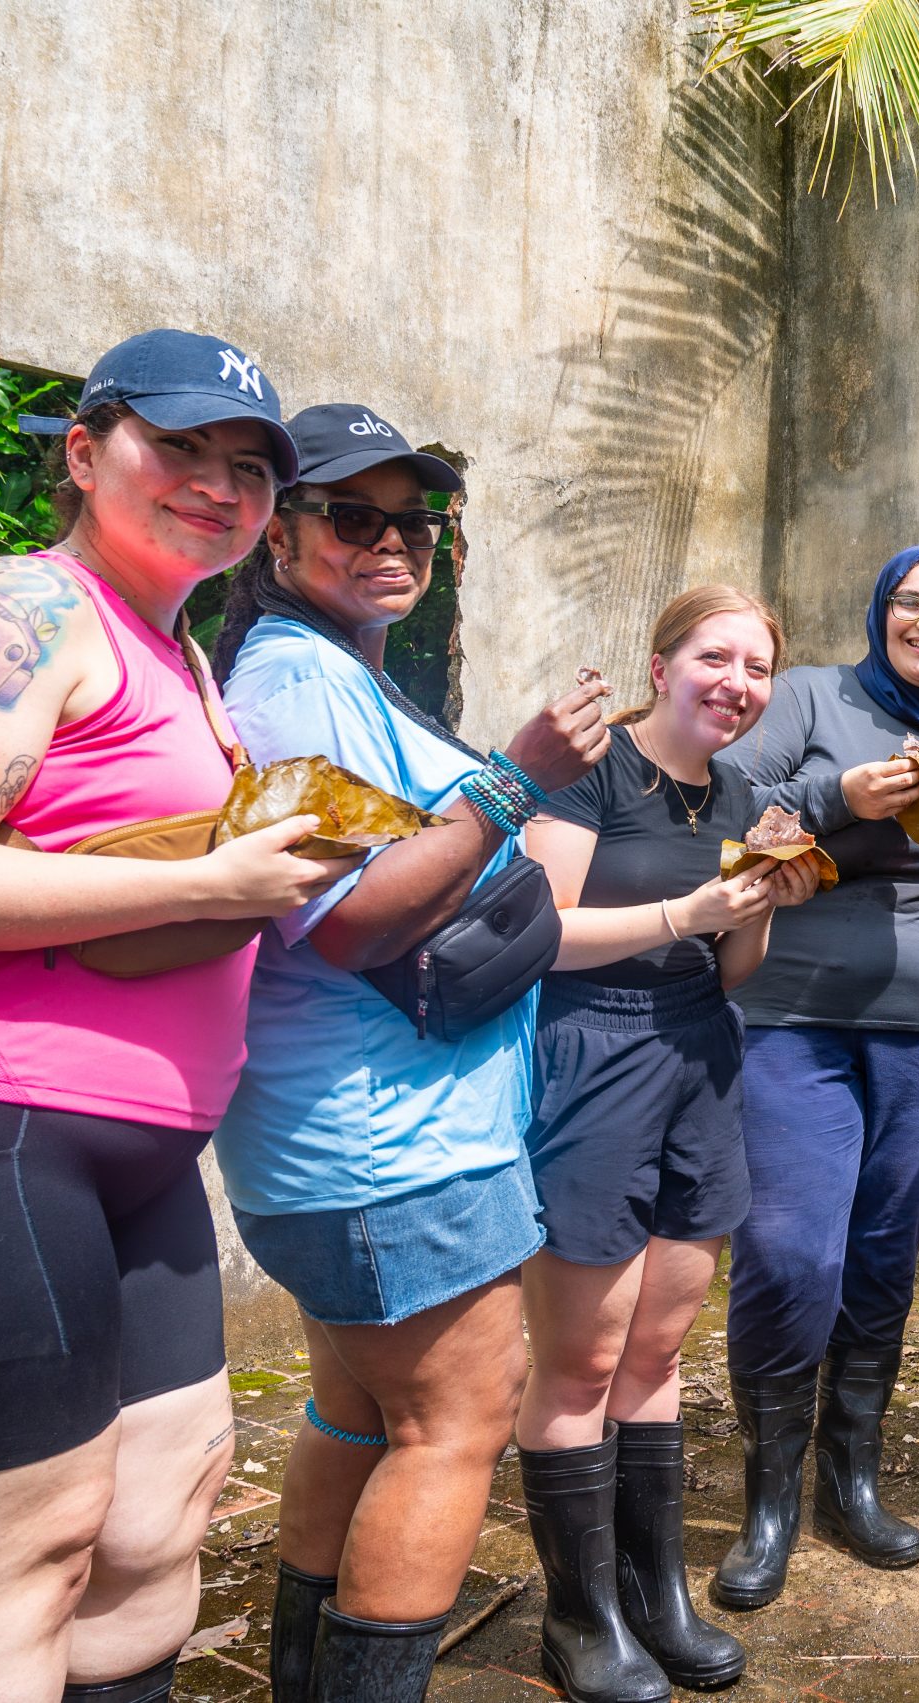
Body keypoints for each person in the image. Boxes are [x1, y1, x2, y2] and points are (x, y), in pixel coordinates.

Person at [0, 331, 333, 1703]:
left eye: (246, 467)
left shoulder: (181, 661)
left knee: (154, 1528)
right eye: (178, 447)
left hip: (142, 1149)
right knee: (13, 1572)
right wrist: (220, 871)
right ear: (82, 448)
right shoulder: (19, 607)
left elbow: (126, 893)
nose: (216, 485)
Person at [210, 404, 610, 1701]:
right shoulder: (291, 678)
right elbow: (350, 917)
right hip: (392, 1146)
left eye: (415, 519)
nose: (392, 540)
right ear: (280, 534)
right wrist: (517, 776)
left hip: (366, 1135)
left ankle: (298, 1672)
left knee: (354, 1406)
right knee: (453, 1423)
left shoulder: (332, 667)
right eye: (353, 515)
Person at [516, 586, 816, 1700]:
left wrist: (762, 905)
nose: (736, 682)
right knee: (583, 1358)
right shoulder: (590, 771)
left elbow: (733, 969)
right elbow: (541, 934)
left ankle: (657, 1595)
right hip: (593, 1054)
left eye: (757, 666)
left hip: (703, 1058)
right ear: (661, 664)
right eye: (715, 656)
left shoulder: (745, 791)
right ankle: (578, 1615)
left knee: (655, 1353)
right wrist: (684, 914)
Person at [709, 546, 919, 1609]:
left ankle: (850, 1474)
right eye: (911, 603)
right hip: (790, 1015)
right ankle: (768, 1497)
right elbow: (732, 797)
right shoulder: (808, 696)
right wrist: (841, 793)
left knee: (883, 1255)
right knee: (793, 1253)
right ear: (879, 609)